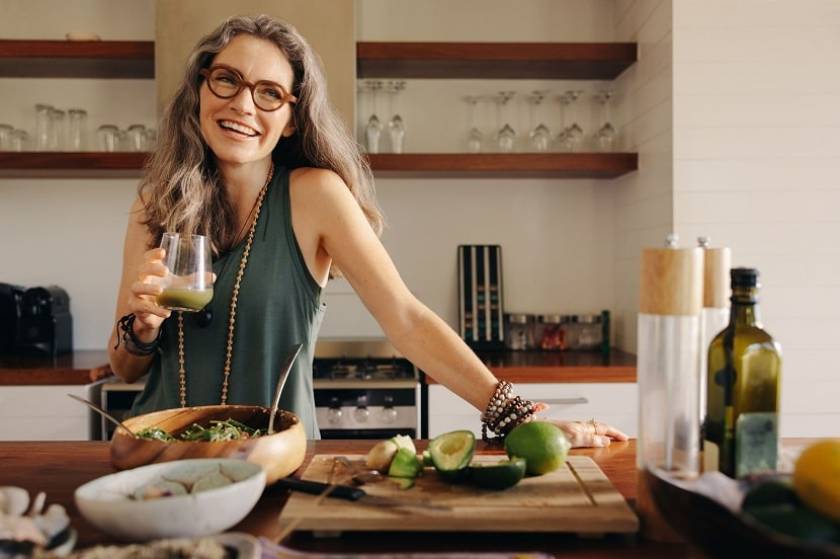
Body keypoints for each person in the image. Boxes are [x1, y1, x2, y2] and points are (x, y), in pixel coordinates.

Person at [107, 14, 627, 448]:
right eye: (228, 80)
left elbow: (406, 319)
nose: (243, 105)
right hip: (157, 458)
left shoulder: (315, 195)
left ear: (291, 118)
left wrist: (515, 415)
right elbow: (125, 366)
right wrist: (142, 329)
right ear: (201, 87)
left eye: (269, 93)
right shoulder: (154, 203)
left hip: (274, 461)